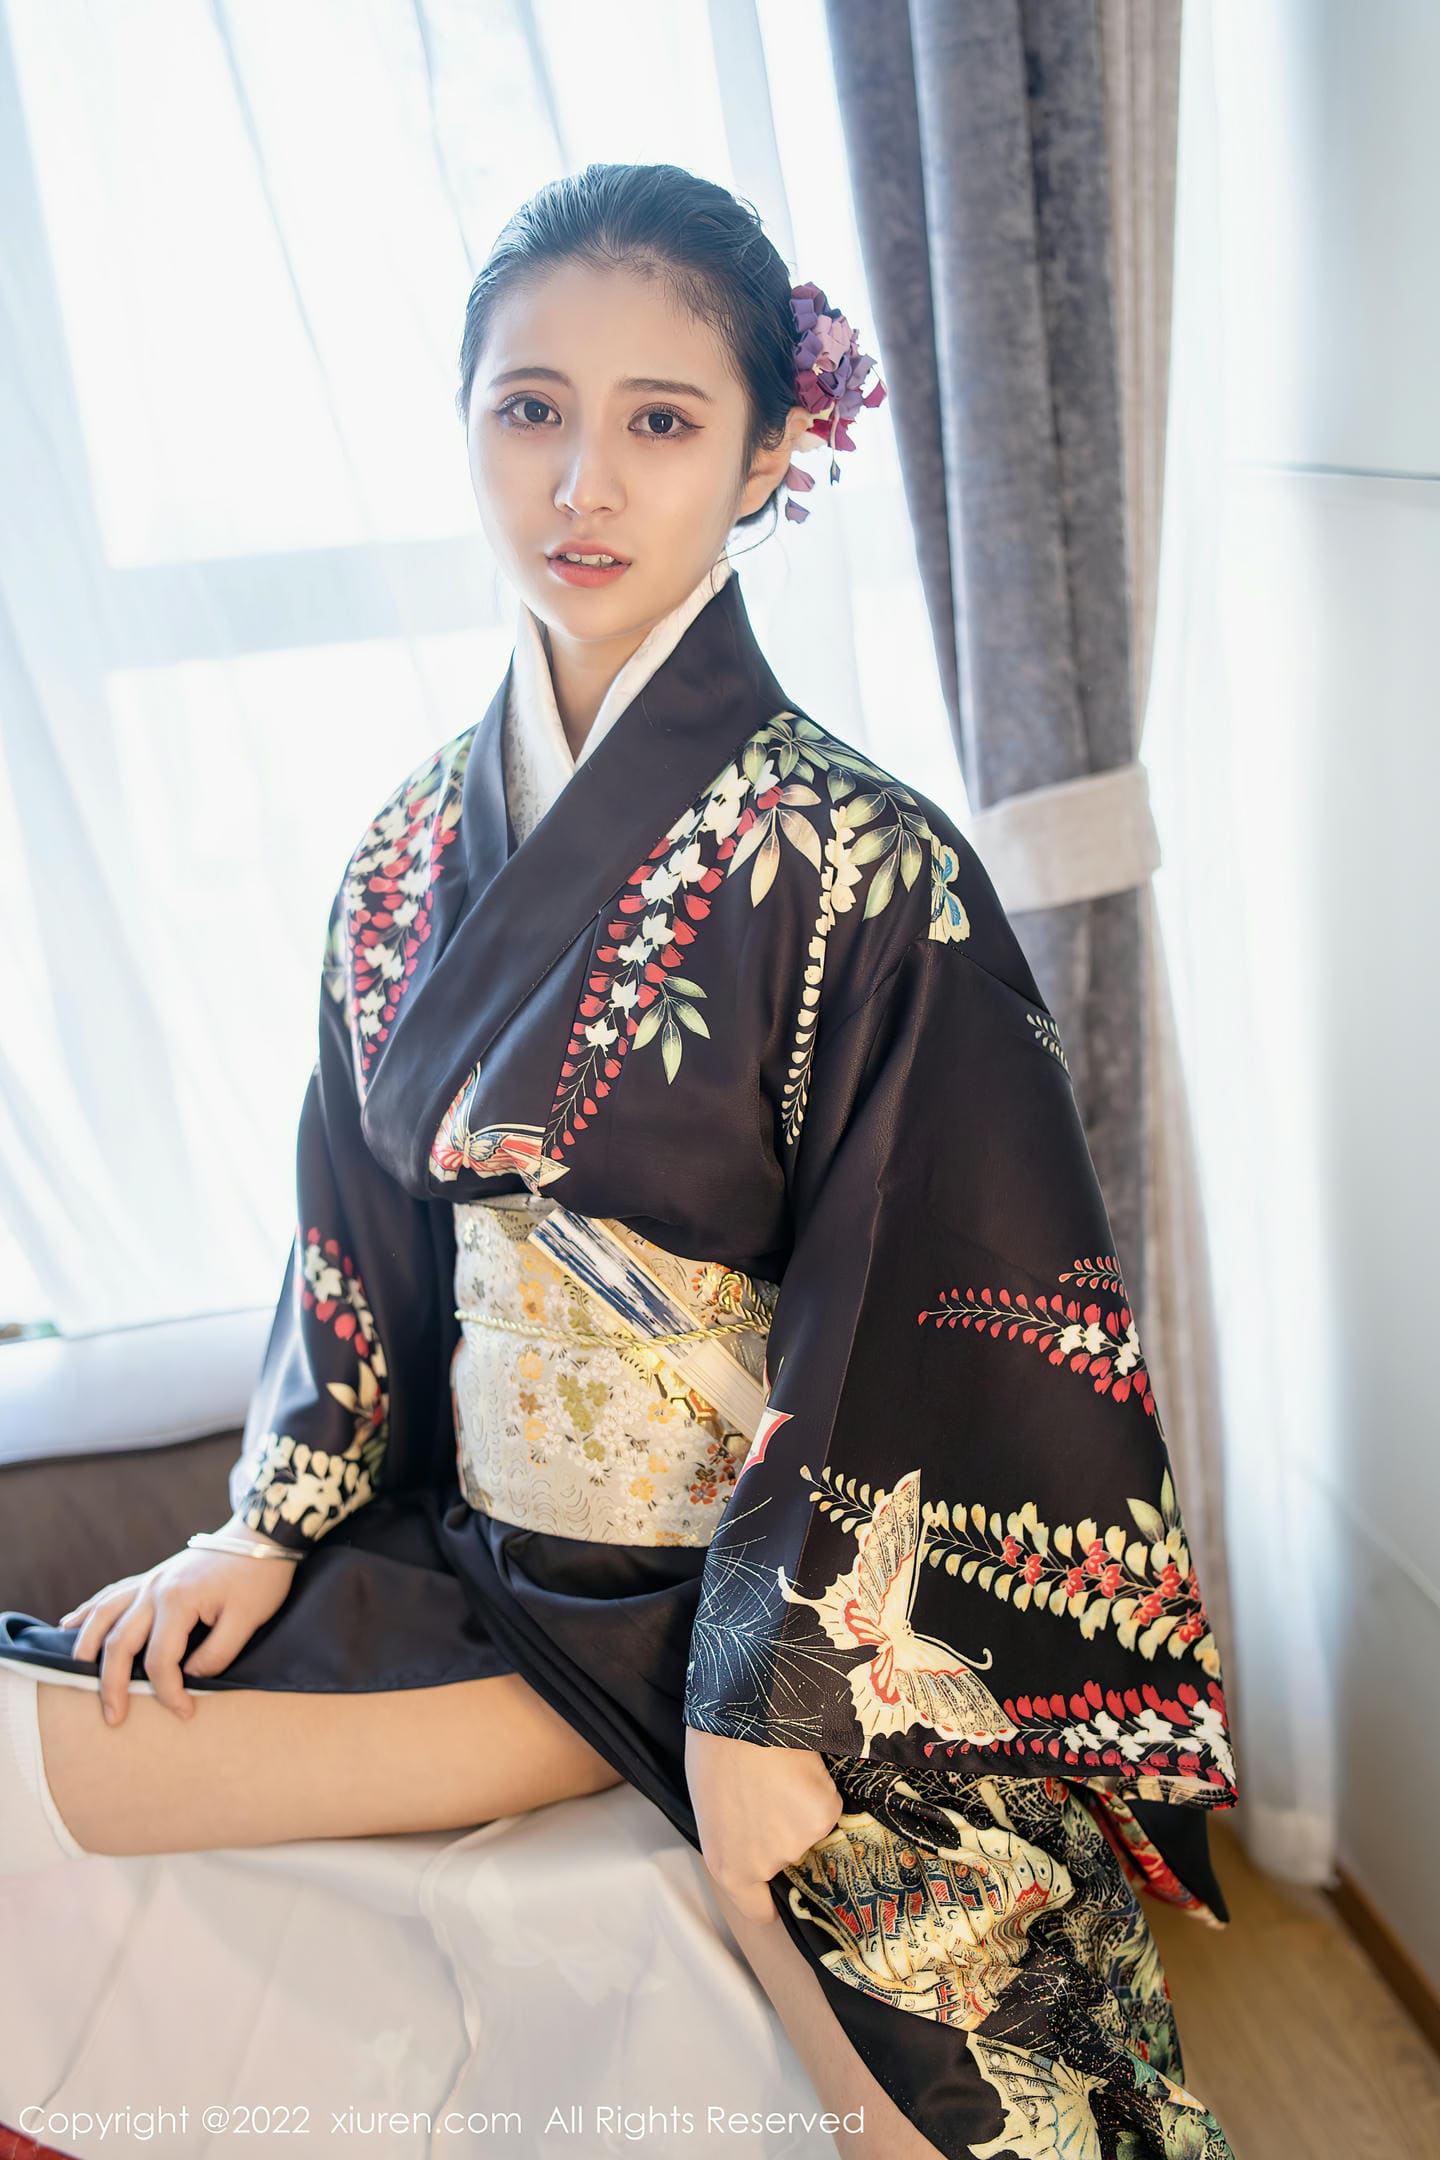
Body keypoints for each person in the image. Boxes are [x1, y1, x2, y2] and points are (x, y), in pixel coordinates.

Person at [0, 162, 1241, 2159]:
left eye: (660, 420)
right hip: (491, 1573)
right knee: (35, 1751)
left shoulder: (867, 864)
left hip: (720, 1609)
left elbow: (916, 1310)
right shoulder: (402, 855)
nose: (582, 481)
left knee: (916, 2080)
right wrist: (273, 1518)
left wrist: (768, 1692)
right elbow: (355, 1231)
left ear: (764, 461)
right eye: (530, 409)